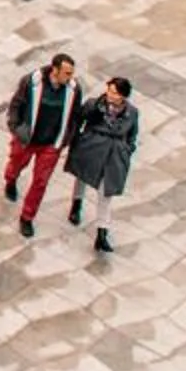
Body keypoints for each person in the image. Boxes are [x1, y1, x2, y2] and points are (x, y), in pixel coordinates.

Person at [2, 52, 86, 239]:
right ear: (55, 70)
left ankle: (27, 217)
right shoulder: (31, 81)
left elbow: (75, 116)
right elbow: (16, 105)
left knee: (41, 182)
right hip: (27, 139)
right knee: (16, 164)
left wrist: (66, 139)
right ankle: (11, 180)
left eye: (71, 73)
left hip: (51, 145)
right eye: (67, 73)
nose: (70, 77)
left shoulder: (74, 89)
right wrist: (16, 128)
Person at [66, 76, 138, 256]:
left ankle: (102, 233)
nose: (110, 95)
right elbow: (79, 120)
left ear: (123, 96)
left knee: (106, 193)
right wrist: (79, 140)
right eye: (109, 90)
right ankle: (77, 204)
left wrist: (127, 149)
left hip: (114, 155)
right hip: (92, 147)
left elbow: (132, 134)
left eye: (115, 93)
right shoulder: (94, 104)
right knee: (82, 177)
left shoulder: (132, 112)